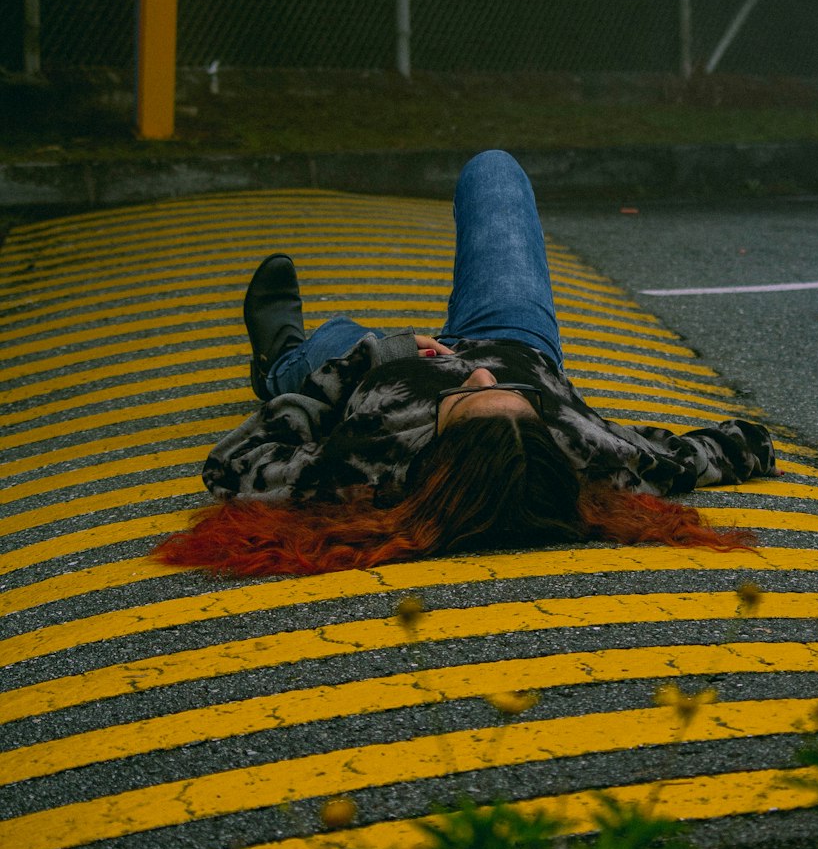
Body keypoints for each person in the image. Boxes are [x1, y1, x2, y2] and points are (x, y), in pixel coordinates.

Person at [154, 151, 774, 576]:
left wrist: (372, 357)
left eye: (464, 400)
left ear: (435, 459)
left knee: (333, 338)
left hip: (376, 365)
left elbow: (233, 464)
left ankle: (279, 360)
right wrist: (729, 448)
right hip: (511, 332)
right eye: (515, 398)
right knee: (494, 170)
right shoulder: (586, 455)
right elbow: (736, 446)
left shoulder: (361, 473)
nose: (479, 375)